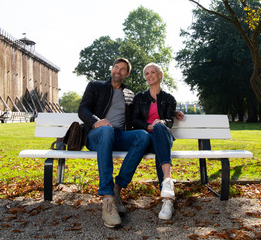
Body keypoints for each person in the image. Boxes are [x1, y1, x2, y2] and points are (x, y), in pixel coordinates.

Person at [78, 58, 149, 228]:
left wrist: (170, 112)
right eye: (116, 67)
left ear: (127, 74)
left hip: (117, 135)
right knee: (106, 130)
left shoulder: (129, 94)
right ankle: (108, 199)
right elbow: (83, 109)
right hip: (97, 134)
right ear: (112, 69)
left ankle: (117, 188)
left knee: (143, 136)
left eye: (122, 69)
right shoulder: (95, 86)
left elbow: (138, 117)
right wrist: (96, 121)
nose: (118, 71)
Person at [132, 63, 183, 221]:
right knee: (157, 132)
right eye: (146, 73)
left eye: (153, 72)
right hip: (146, 138)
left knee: (160, 127)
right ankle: (168, 194)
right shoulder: (139, 98)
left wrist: (161, 121)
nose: (149, 76)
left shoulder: (168, 99)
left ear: (160, 75)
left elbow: (169, 120)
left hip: (163, 136)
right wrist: (148, 125)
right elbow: (134, 119)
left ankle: (167, 189)